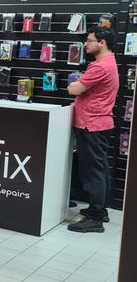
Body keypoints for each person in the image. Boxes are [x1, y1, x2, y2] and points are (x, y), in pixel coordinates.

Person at [67, 27, 119, 233]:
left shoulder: (100, 67)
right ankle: (100, 210)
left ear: (102, 42)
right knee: (100, 169)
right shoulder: (109, 62)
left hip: (92, 124)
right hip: (99, 123)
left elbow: (75, 89)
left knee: (93, 171)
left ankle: (96, 218)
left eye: (89, 41)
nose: (86, 44)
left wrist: (75, 84)